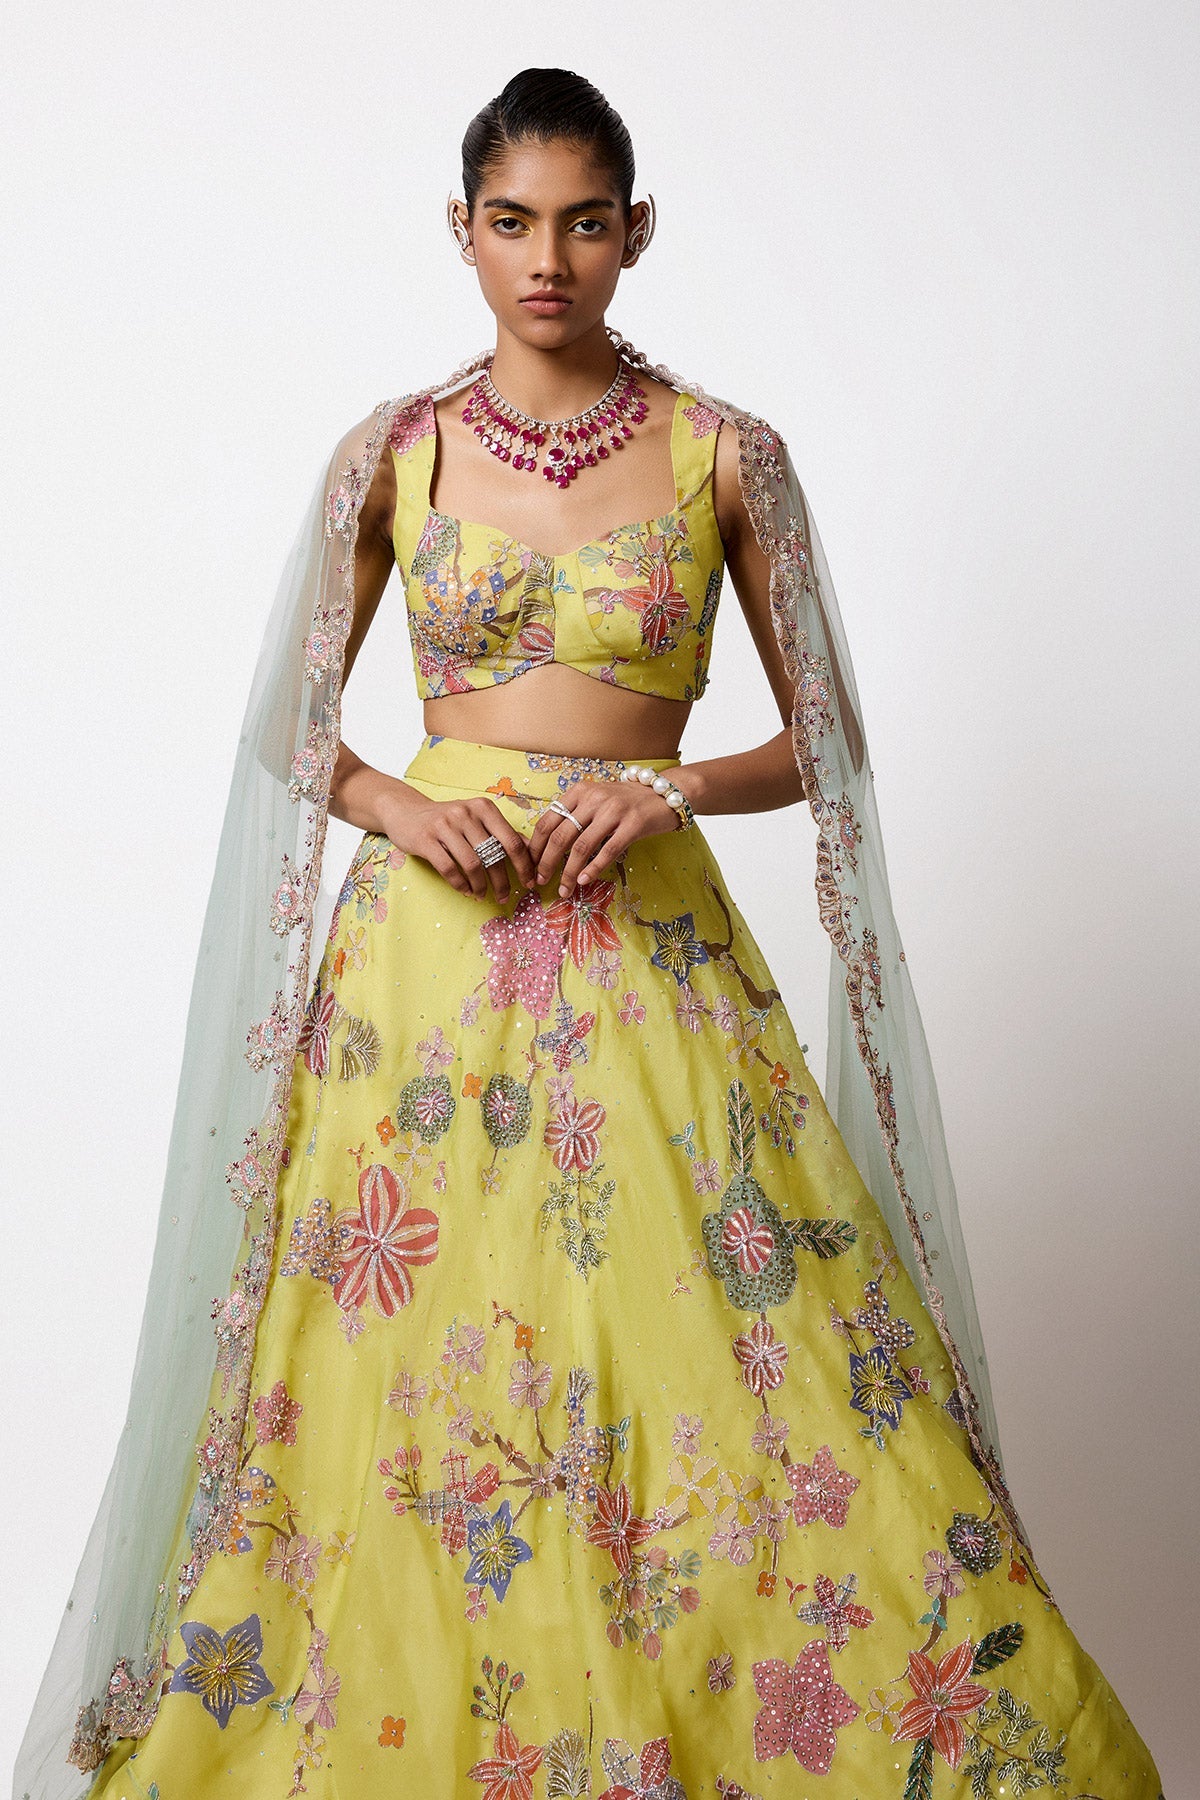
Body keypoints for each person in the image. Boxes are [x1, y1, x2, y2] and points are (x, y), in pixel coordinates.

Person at [16, 67, 1163, 1800]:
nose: (546, 259)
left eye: (583, 222)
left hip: (648, 959)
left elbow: (830, 742)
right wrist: (397, 804)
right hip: (425, 974)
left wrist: (673, 788)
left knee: (732, 1358)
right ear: (461, 232)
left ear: (637, 231)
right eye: (511, 222)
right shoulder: (390, 455)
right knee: (398, 1376)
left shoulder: (728, 456)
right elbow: (288, 727)